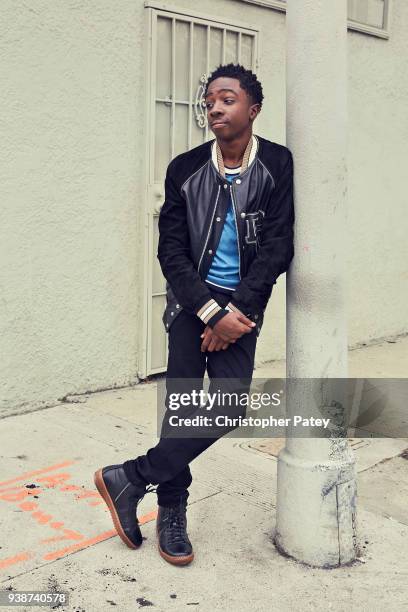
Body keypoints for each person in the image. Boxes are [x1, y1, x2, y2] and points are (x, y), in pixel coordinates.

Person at [94, 63, 295, 566]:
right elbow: (172, 251)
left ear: (253, 108)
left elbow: (277, 246)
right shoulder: (184, 168)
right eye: (208, 102)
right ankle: (171, 507)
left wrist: (236, 312)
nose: (215, 108)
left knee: (227, 407)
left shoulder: (277, 164)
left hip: (242, 310)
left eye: (227, 99)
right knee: (181, 407)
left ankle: (131, 476)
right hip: (191, 305)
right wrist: (209, 312)